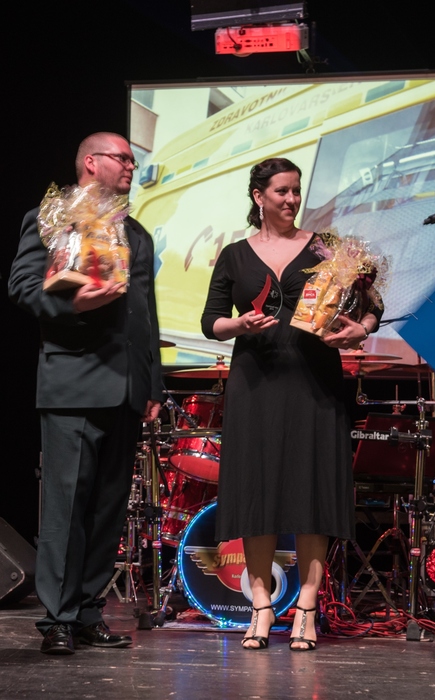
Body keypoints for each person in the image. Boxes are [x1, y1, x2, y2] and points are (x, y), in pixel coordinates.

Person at [201, 157, 383, 651]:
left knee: (311, 492)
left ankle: (306, 607)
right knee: (256, 493)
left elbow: (372, 305)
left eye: (296, 190)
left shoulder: (328, 248)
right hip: (255, 383)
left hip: (314, 381)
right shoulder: (235, 255)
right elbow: (211, 321)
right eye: (281, 191)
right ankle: (260, 606)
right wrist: (239, 325)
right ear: (258, 196)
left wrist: (360, 329)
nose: (291, 199)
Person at [8, 132, 163, 655]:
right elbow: (22, 286)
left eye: (134, 160)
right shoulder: (51, 217)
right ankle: (58, 617)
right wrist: (74, 306)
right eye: (124, 158)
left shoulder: (135, 232)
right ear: (91, 162)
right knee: (66, 507)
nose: (131, 167)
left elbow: (145, 314)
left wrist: (153, 383)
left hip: (127, 389)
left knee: (107, 511)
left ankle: (88, 611)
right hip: (73, 383)